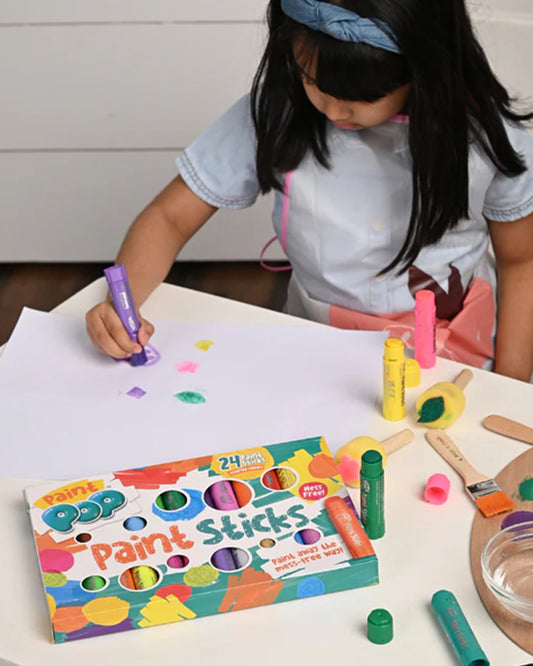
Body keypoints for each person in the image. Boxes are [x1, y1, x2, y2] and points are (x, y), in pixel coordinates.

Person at [86, 0, 533, 381]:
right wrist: (121, 306)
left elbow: (521, 263)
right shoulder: (279, 113)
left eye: (360, 97)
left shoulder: (488, 140)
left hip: (454, 361)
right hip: (317, 350)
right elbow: (169, 217)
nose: (333, 110)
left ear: (425, 71)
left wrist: (512, 389)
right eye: (311, 79)